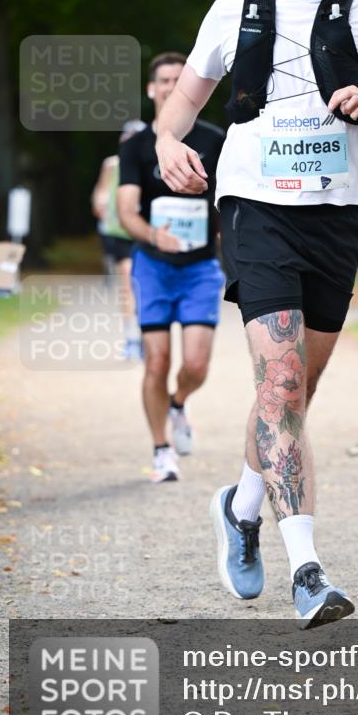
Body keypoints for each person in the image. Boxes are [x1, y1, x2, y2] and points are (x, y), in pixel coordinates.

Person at [154, 0, 358, 627]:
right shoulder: (232, 12)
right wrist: (170, 144)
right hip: (257, 209)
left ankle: (239, 507)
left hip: (335, 214)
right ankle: (307, 568)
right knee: (280, 385)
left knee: (292, 392)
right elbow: (183, 105)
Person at [117, 53, 226, 483]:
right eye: (163, 80)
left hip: (201, 266)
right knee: (156, 362)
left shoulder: (215, 139)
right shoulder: (135, 146)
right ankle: (161, 449)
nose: (169, 86)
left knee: (196, 365)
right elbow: (126, 209)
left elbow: (226, 200)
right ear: (151, 89)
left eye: (179, 80)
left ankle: (178, 402)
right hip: (154, 266)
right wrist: (151, 235)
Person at [91, 120, 146, 359]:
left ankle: (147, 335)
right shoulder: (113, 164)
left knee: (145, 284)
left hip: (147, 230)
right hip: (119, 231)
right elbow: (101, 191)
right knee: (127, 281)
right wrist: (100, 202)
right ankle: (131, 337)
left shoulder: (153, 161)